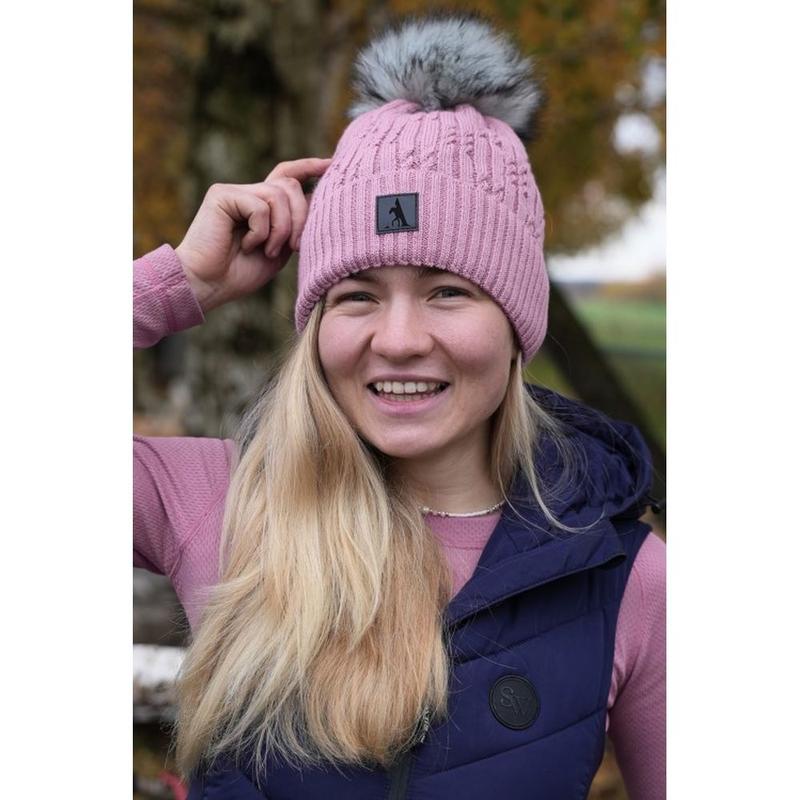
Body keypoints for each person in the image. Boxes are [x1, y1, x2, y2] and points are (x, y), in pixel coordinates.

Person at [134, 11, 666, 800]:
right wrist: (177, 284)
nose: (400, 339)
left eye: (448, 292)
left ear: (516, 327)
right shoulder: (215, 501)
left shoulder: (626, 576)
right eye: (357, 295)